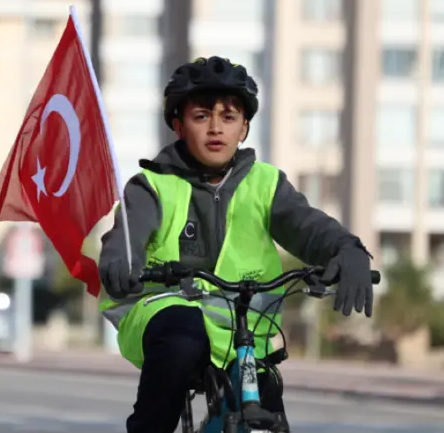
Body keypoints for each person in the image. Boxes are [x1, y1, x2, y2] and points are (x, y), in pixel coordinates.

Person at [97, 56, 375, 433]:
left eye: (229, 117)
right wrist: (121, 259)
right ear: (178, 125)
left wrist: (347, 249)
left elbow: (307, 226)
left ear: (244, 127)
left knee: (267, 406)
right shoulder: (152, 185)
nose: (216, 128)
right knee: (181, 338)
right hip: (163, 311)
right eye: (201, 116)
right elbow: (128, 234)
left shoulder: (265, 184)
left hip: (241, 326)